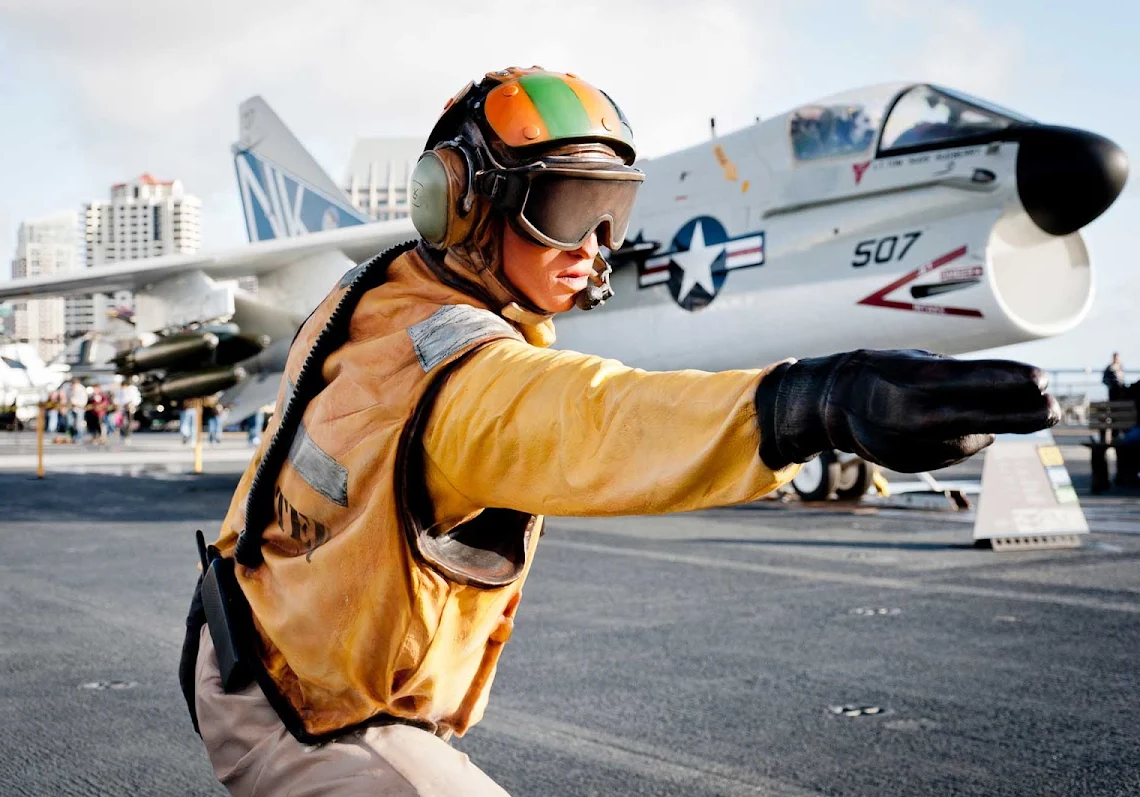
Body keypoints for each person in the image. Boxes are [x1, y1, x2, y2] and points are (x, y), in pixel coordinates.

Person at [180, 67, 1059, 796]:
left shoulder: (379, 291)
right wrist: (811, 403)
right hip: (306, 709)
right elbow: (600, 419)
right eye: (566, 207)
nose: (597, 245)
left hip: (265, 651)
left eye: (614, 211)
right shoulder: (464, 378)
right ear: (464, 205)